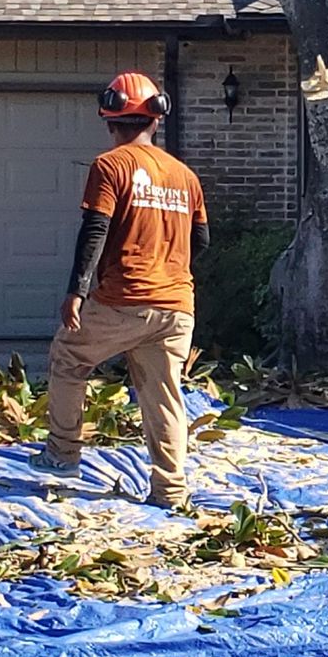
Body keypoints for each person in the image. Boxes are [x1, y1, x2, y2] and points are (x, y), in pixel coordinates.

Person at [30, 72, 210, 508]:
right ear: (154, 120)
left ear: (111, 121)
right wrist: (167, 266)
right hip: (177, 307)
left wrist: (77, 290)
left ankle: (63, 454)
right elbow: (201, 241)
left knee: (69, 356)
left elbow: (96, 228)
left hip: (123, 298)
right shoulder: (184, 175)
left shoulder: (110, 166)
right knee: (164, 395)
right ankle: (170, 491)